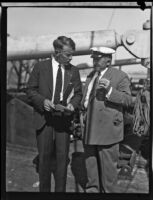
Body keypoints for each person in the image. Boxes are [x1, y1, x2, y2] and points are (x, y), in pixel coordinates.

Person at [26, 36, 82, 192]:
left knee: (62, 162)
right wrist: (42, 102)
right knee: (44, 161)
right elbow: (30, 90)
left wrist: (73, 105)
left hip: (63, 122)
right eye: (68, 54)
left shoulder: (74, 70)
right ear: (57, 52)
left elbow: (78, 94)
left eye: (72, 54)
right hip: (44, 120)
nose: (71, 58)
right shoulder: (40, 67)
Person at [81, 46, 133, 193]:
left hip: (107, 129)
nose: (95, 61)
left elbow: (129, 100)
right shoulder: (92, 76)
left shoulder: (119, 76)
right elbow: (86, 98)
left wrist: (110, 91)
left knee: (108, 169)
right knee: (90, 162)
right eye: (94, 58)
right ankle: (92, 189)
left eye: (99, 58)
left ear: (108, 61)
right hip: (89, 127)